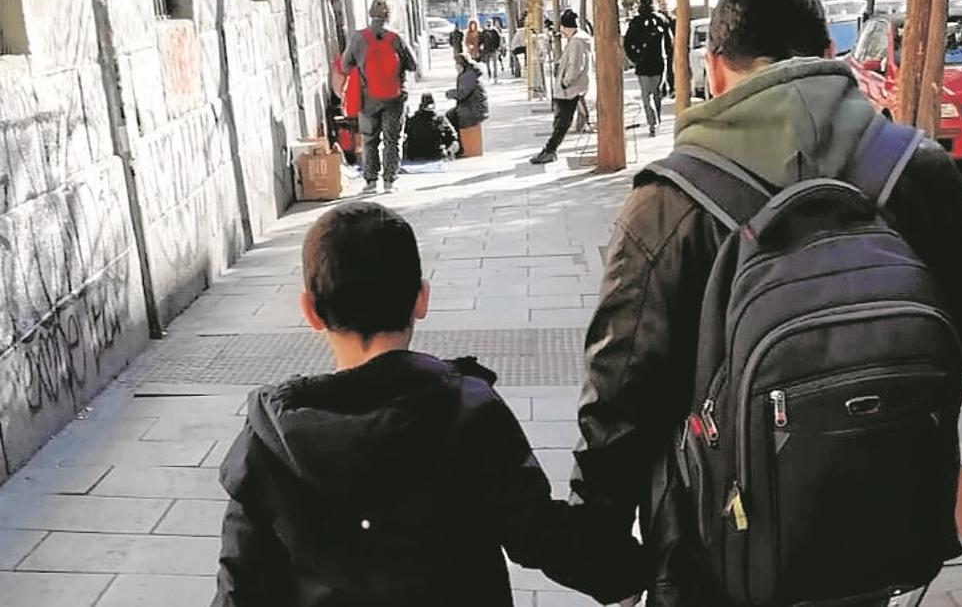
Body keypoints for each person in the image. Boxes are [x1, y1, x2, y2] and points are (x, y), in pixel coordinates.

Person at [569, 0, 962, 605]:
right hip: (878, 527)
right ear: (829, 58)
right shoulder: (915, 168)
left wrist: (597, 533)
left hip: (713, 551)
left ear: (715, 70)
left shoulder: (670, 203)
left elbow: (620, 391)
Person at [211, 202, 648, 607]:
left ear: (311, 311)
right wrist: (627, 573)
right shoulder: (469, 411)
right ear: (421, 298)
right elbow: (538, 534)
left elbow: (239, 586)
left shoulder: (269, 438)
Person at [342, 0, 417, 194]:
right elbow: (413, 64)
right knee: (393, 139)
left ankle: (370, 182)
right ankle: (390, 181)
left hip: (368, 98)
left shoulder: (358, 38)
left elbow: (344, 65)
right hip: (395, 97)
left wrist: (361, 66)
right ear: (388, 15)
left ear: (370, 13)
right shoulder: (395, 38)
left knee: (369, 139)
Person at [530, 10, 593, 165]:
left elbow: (576, 65)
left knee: (562, 122)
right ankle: (550, 150)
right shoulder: (579, 40)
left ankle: (549, 150)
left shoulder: (577, 42)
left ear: (567, 27)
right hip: (572, 87)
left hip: (569, 89)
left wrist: (566, 82)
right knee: (561, 121)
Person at [623, 0, 672, 137]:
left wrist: (634, 57)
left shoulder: (636, 21)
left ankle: (653, 123)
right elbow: (670, 42)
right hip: (659, 61)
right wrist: (667, 56)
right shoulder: (662, 19)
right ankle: (657, 120)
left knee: (646, 95)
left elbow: (627, 43)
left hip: (643, 63)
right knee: (657, 92)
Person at [403, 93, 459, 161]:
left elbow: (452, 136)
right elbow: (453, 136)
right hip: (428, 153)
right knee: (455, 143)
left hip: (428, 153)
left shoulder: (413, 120)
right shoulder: (438, 119)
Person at [445, 53, 489, 134]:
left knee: (451, 118)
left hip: (474, 109)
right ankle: (459, 139)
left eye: (457, 64)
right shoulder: (469, 72)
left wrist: (450, 94)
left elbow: (462, 94)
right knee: (451, 115)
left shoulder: (468, 75)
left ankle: (460, 141)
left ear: (462, 65)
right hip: (473, 106)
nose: (456, 67)